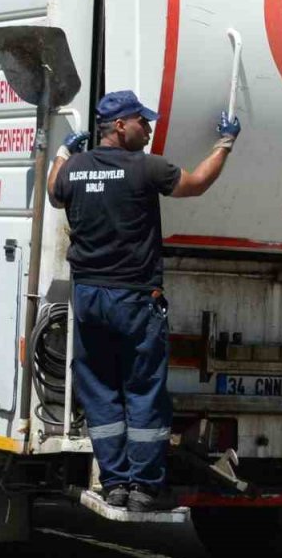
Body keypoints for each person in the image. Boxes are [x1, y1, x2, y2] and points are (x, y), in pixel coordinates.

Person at [47, 90, 240, 512]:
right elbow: (196, 183)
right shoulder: (145, 168)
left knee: (100, 391)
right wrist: (224, 144)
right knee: (143, 391)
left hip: (90, 297)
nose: (149, 129)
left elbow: (53, 191)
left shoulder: (76, 168)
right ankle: (144, 488)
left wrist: (62, 151)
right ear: (120, 126)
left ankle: (115, 483)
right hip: (134, 298)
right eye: (142, 121)